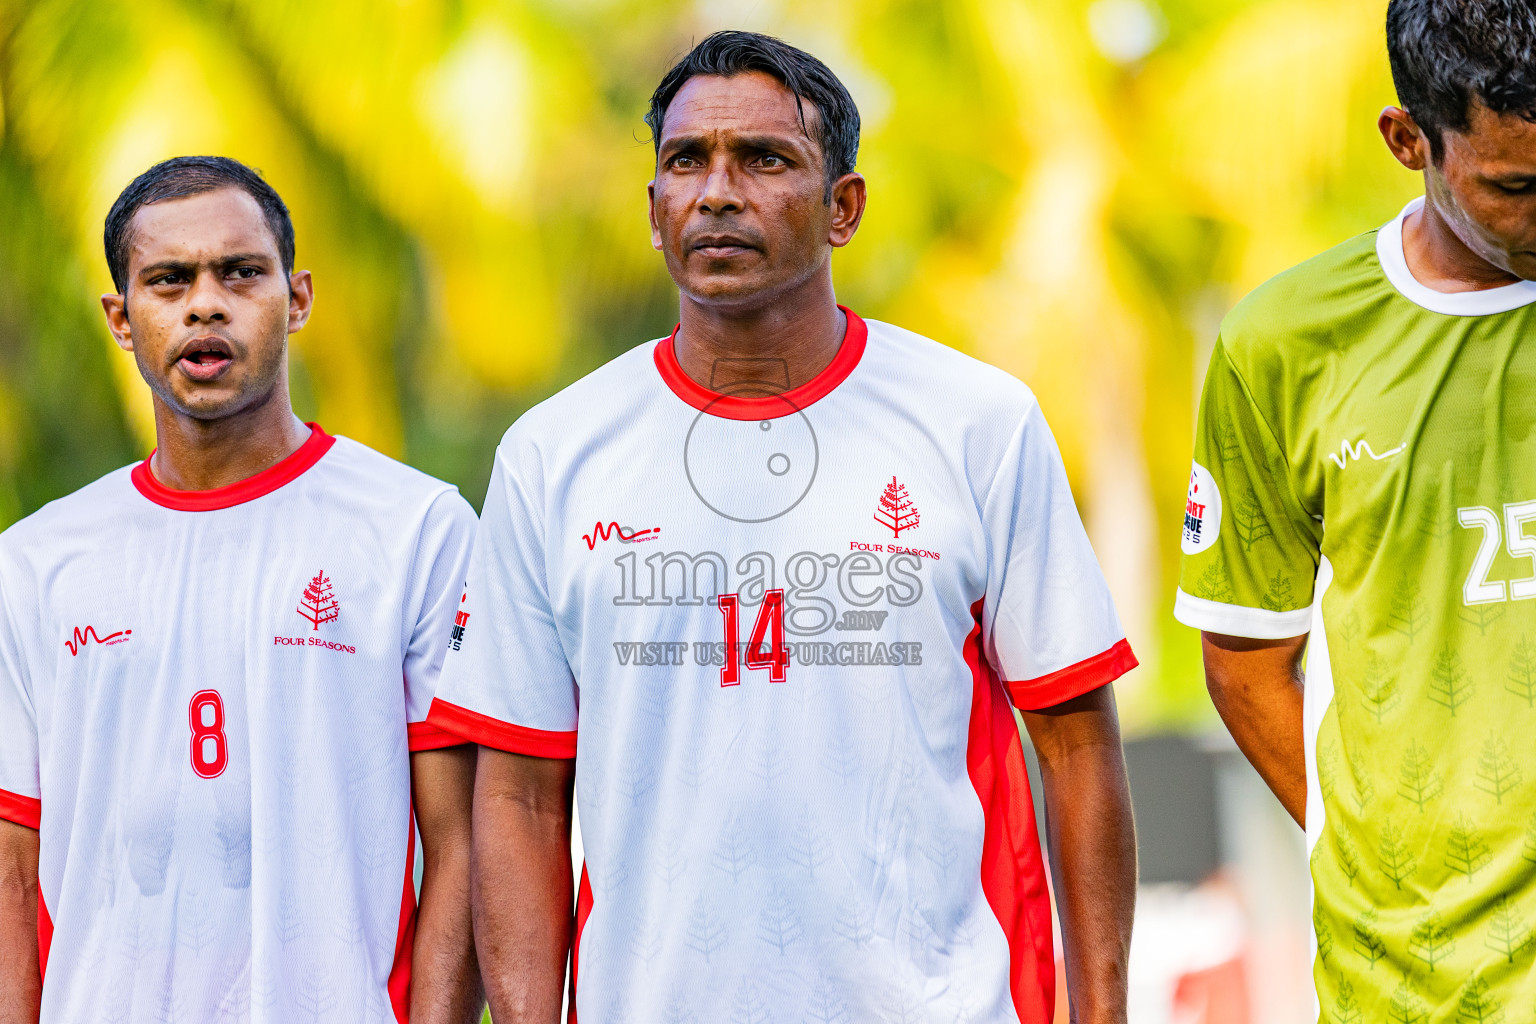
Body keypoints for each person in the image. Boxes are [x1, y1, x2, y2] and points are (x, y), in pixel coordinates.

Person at [429, 30, 1137, 1024]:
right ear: (654, 209)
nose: (718, 193)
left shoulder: (979, 424)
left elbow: (1077, 750)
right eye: (688, 161)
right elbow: (519, 795)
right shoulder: (553, 455)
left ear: (843, 207)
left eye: (764, 160)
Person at [0, 156, 483, 1023]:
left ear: (297, 298)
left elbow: (465, 845)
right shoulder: (36, 563)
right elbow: (12, 866)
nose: (205, 304)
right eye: (169, 280)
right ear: (120, 317)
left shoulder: (416, 530)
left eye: (240, 273)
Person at [1174, 0, 1536, 1015]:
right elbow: (1245, 657)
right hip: (1412, 982)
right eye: (1516, 186)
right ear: (1408, 139)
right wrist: (1373, 852)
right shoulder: (1285, 346)